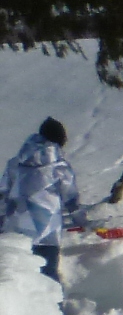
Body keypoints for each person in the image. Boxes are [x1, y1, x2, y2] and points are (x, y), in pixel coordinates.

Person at [3, 117, 82, 282]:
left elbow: (3, 193)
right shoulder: (60, 167)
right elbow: (71, 200)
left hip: (16, 229)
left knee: (18, 277)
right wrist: (81, 221)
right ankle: (53, 308)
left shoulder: (15, 163)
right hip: (47, 231)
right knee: (48, 278)